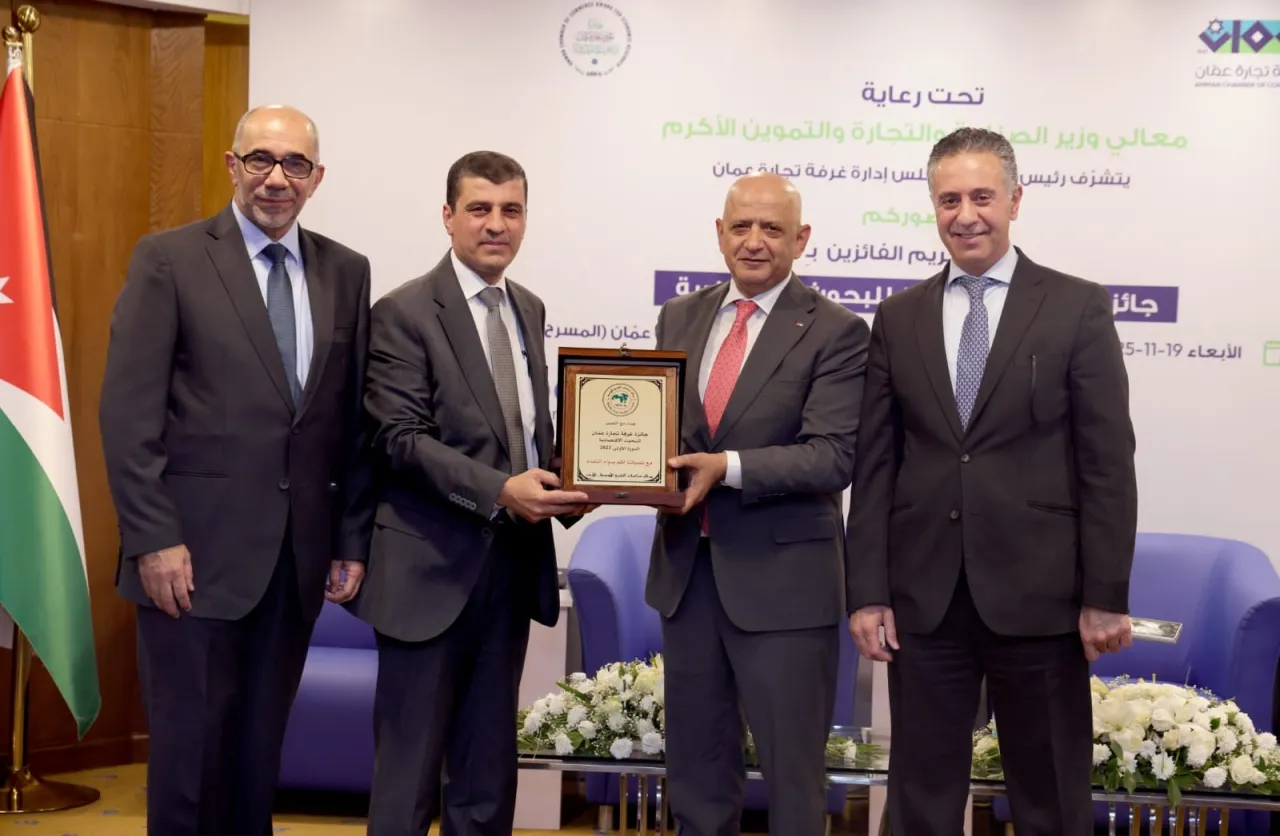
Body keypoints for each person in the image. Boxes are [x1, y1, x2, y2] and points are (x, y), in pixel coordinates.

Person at [845, 127, 1138, 836]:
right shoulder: (899, 316)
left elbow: (1106, 461)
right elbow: (876, 464)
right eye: (949, 200)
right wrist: (869, 591)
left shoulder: (1076, 306)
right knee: (919, 799)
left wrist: (1104, 595)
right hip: (926, 601)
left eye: (981, 196)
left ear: (1015, 200)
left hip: (1043, 597)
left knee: (1050, 798)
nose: (966, 215)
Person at [99, 104, 374, 835]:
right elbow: (128, 416)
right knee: (189, 767)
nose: (277, 179)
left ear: (317, 177)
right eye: (261, 160)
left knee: (257, 763)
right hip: (188, 564)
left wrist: (349, 540)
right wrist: (153, 539)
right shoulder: (169, 259)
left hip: (294, 566)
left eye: (295, 164)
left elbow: (348, 422)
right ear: (232, 165)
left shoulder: (347, 271)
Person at [348, 150, 592, 836]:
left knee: (486, 774)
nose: (496, 225)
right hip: (427, 570)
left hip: (509, 570)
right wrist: (500, 490)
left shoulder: (528, 308)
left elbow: (523, 432)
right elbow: (397, 438)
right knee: (408, 778)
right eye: (480, 209)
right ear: (448, 216)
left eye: (511, 210)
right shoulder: (402, 311)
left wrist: (579, 478)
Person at [646, 172, 870, 835]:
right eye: (741, 226)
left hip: (786, 589)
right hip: (688, 578)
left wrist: (727, 468)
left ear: (801, 239)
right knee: (695, 774)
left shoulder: (837, 331)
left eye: (772, 228)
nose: (754, 241)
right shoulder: (679, 316)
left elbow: (832, 455)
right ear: (720, 233)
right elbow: (662, 430)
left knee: (792, 781)